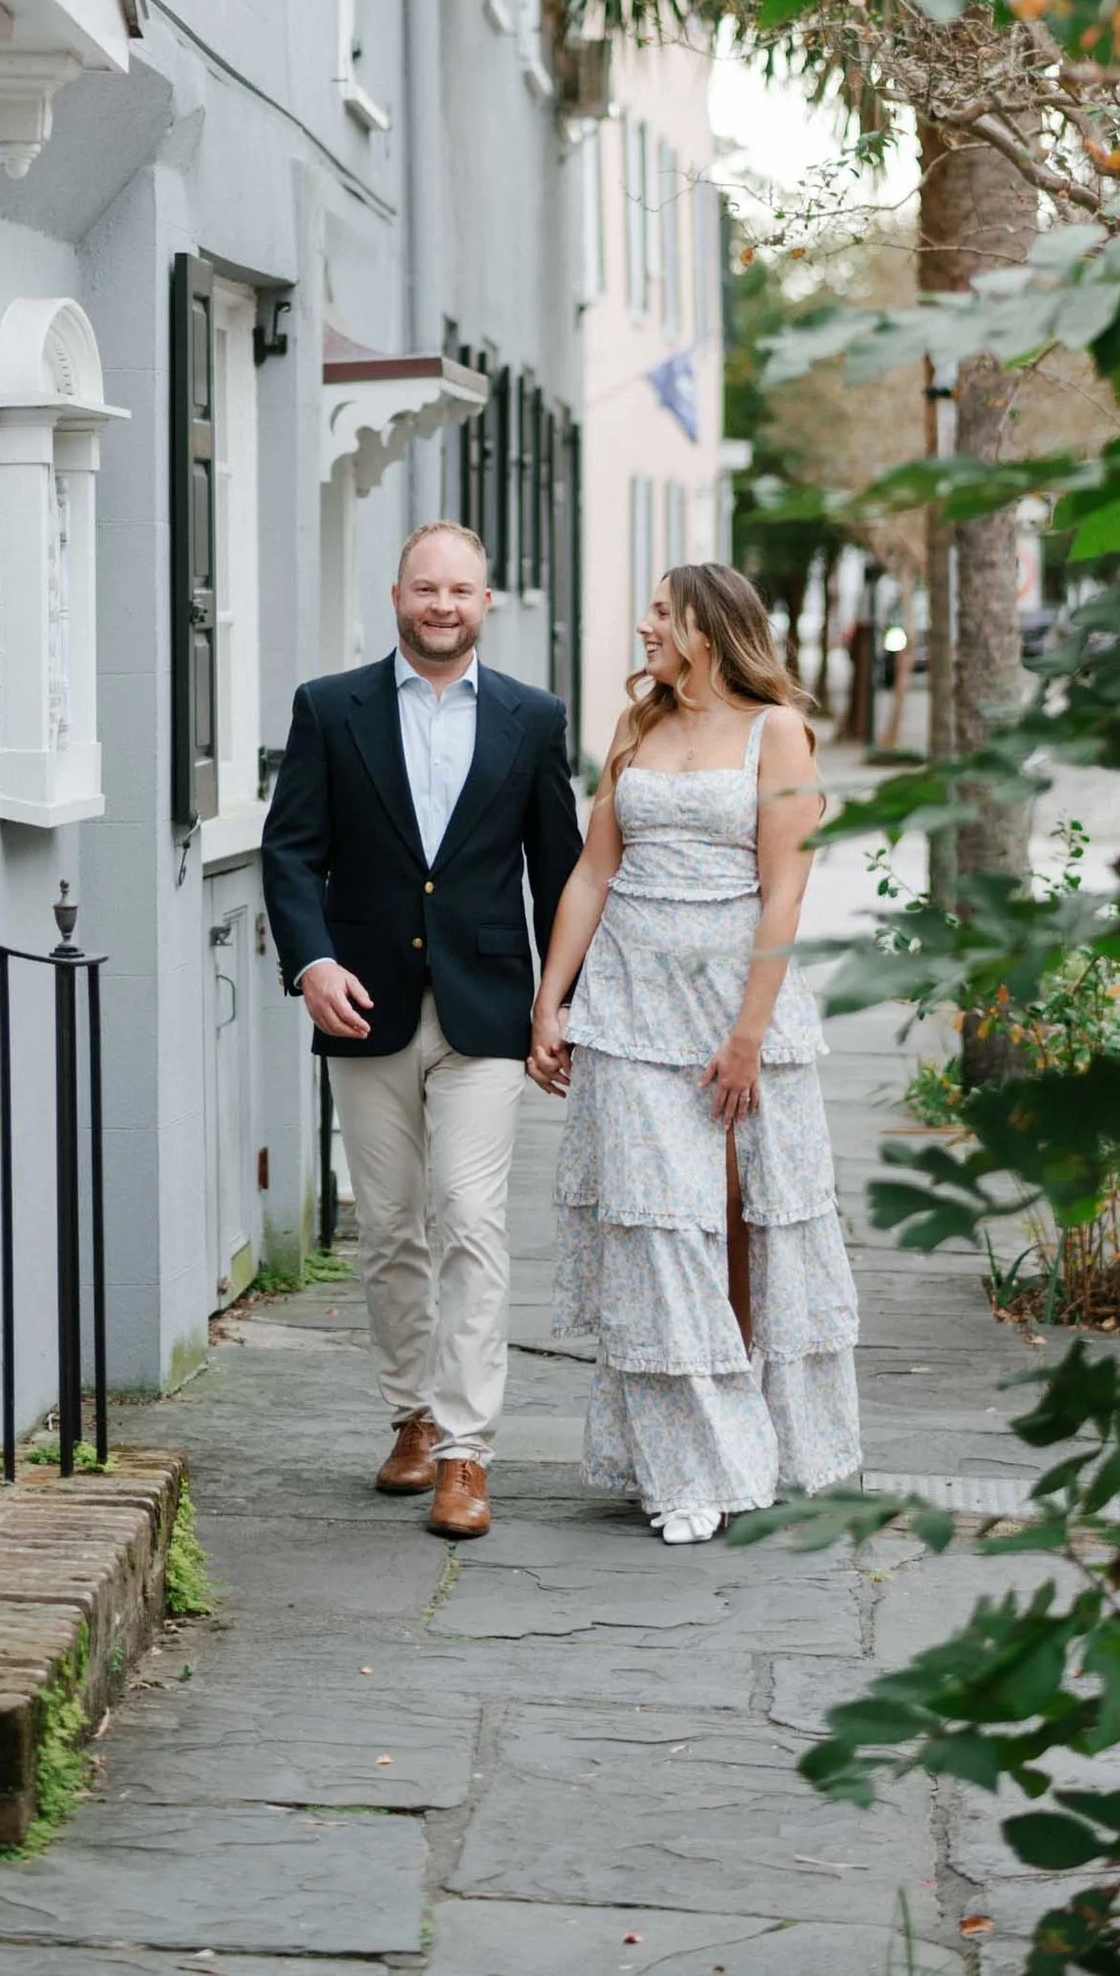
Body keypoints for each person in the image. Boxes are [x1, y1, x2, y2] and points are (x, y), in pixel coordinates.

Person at [261, 520, 583, 1541]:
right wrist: (310, 965)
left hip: (487, 1010)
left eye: (461, 590)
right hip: (364, 1003)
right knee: (390, 1226)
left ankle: (463, 1452)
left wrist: (558, 1003)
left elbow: (559, 872)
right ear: (396, 594)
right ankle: (408, 1413)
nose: (444, 605)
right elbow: (289, 850)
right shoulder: (329, 708)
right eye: (426, 588)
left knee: (470, 1220)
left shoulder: (533, 718)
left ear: (485, 601)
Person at [529, 563, 861, 1544]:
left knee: (764, 1234)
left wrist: (749, 1036)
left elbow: (785, 893)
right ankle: (688, 1468)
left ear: (708, 630)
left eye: (660, 611)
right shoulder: (635, 728)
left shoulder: (777, 731)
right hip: (627, 1009)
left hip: (734, 1009)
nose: (643, 625)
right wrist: (552, 1003)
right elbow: (593, 870)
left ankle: (763, 1447)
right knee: (657, 1234)